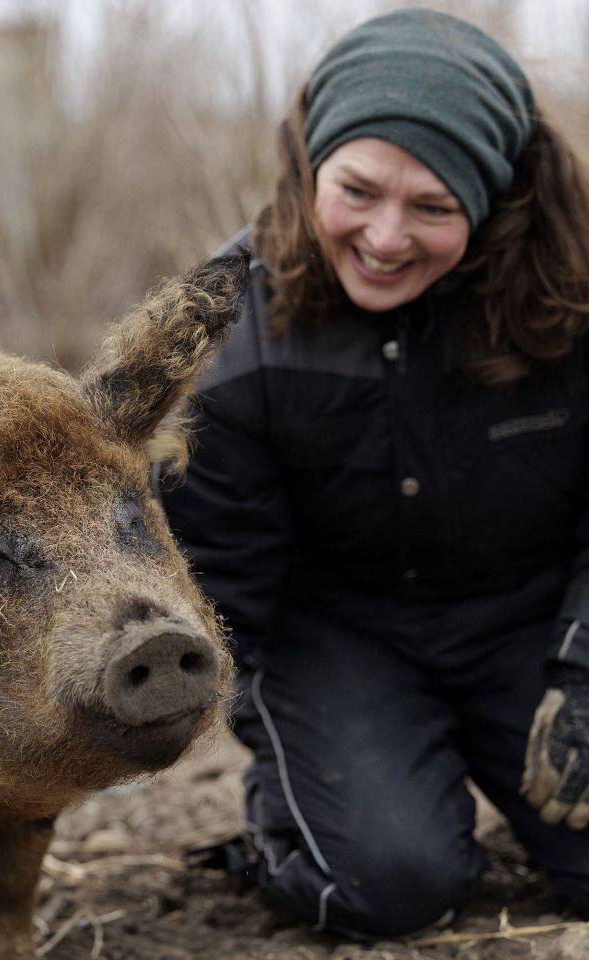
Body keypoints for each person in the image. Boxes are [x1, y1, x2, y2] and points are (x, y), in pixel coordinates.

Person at [161, 7, 589, 939]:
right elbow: (221, 585)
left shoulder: (571, 296)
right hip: (339, 638)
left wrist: (583, 669)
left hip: (531, 620)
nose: (387, 237)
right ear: (311, 168)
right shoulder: (232, 332)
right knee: (393, 882)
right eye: (357, 191)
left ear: (494, 202)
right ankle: (304, 817)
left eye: (433, 208)